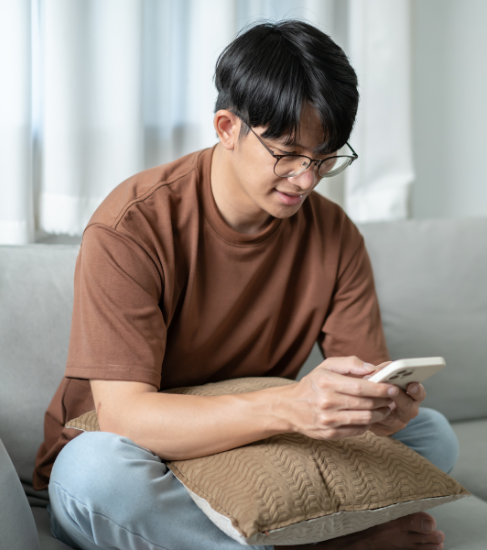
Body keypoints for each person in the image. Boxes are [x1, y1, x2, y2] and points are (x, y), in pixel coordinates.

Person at [34, 20, 459, 550]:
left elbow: (361, 383)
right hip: (143, 451)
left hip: (251, 448)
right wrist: (290, 407)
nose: (306, 179)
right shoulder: (132, 226)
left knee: (431, 435)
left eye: (325, 158)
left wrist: (379, 407)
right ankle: (327, 545)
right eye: (287, 153)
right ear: (227, 128)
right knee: (93, 474)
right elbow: (125, 416)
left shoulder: (334, 235)